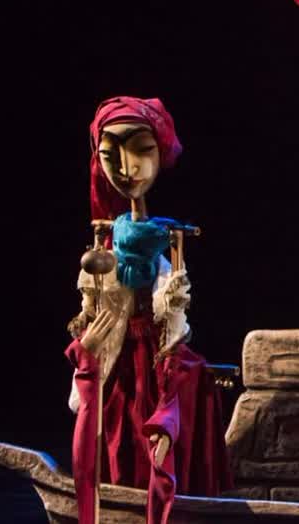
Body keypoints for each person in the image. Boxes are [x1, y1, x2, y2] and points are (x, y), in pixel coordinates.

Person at [65, 96, 231, 523]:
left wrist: (169, 396)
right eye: (110, 155)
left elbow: (171, 315)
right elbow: (94, 308)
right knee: (117, 436)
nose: (127, 168)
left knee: (172, 410)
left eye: (141, 150)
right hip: (118, 359)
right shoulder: (106, 246)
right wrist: (89, 349)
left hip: (157, 361)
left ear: (161, 151)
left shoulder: (163, 249)